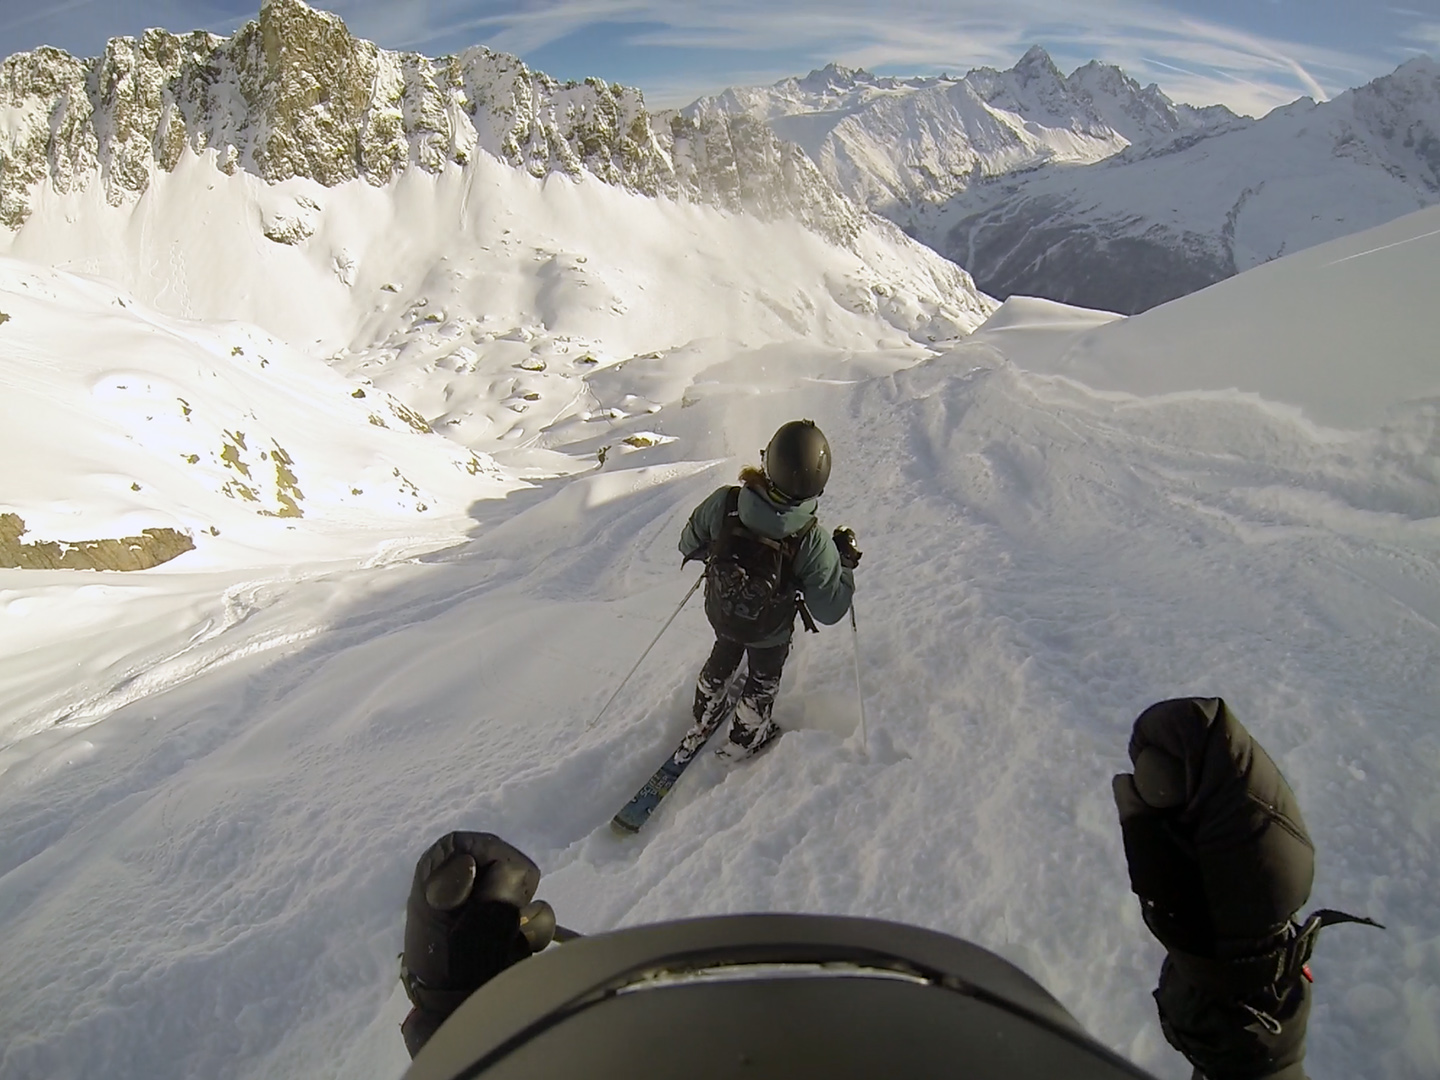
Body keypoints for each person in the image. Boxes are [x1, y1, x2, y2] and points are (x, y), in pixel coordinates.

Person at [397, 698, 1379, 1078]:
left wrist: (470, 1024)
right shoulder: (799, 521)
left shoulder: (741, 510)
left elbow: (706, 537)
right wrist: (1245, 990)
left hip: (724, 611)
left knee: (736, 649)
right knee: (767, 660)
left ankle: (719, 697)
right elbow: (823, 599)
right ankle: (748, 720)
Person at [675, 419, 861, 764]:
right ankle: (744, 738)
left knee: (726, 645)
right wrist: (844, 565)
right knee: (763, 677)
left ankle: (705, 710)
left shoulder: (726, 503)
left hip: (720, 609)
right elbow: (829, 610)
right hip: (769, 630)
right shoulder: (812, 541)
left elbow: (688, 543)